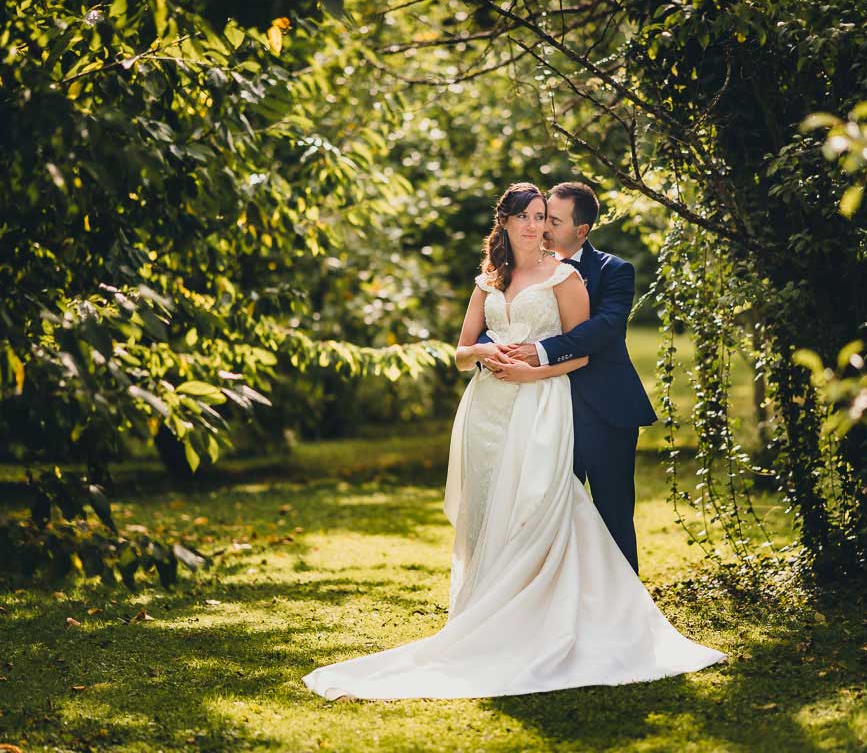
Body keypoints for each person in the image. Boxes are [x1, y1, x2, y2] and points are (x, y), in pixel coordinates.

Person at [302, 183, 725, 701]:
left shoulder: (578, 275)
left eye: (544, 217)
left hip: (551, 404)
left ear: (566, 226)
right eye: (527, 216)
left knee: (566, 508)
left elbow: (592, 343)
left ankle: (606, 614)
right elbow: (462, 350)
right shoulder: (489, 280)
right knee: (495, 509)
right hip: (489, 409)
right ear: (504, 221)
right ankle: (494, 614)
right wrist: (486, 353)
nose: (536, 226)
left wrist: (532, 366)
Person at [486, 181, 656, 574]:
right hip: (543, 409)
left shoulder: (614, 271)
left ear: (581, 230)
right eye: (542, 216)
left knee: (613, 512)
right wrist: (491, 351)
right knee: (547, 512)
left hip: (604, 410)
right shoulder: (526, 268)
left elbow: (606, 329)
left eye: (553, 221)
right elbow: (497, 313)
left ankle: (622, 599)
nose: (542, 227)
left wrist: (541, 351)